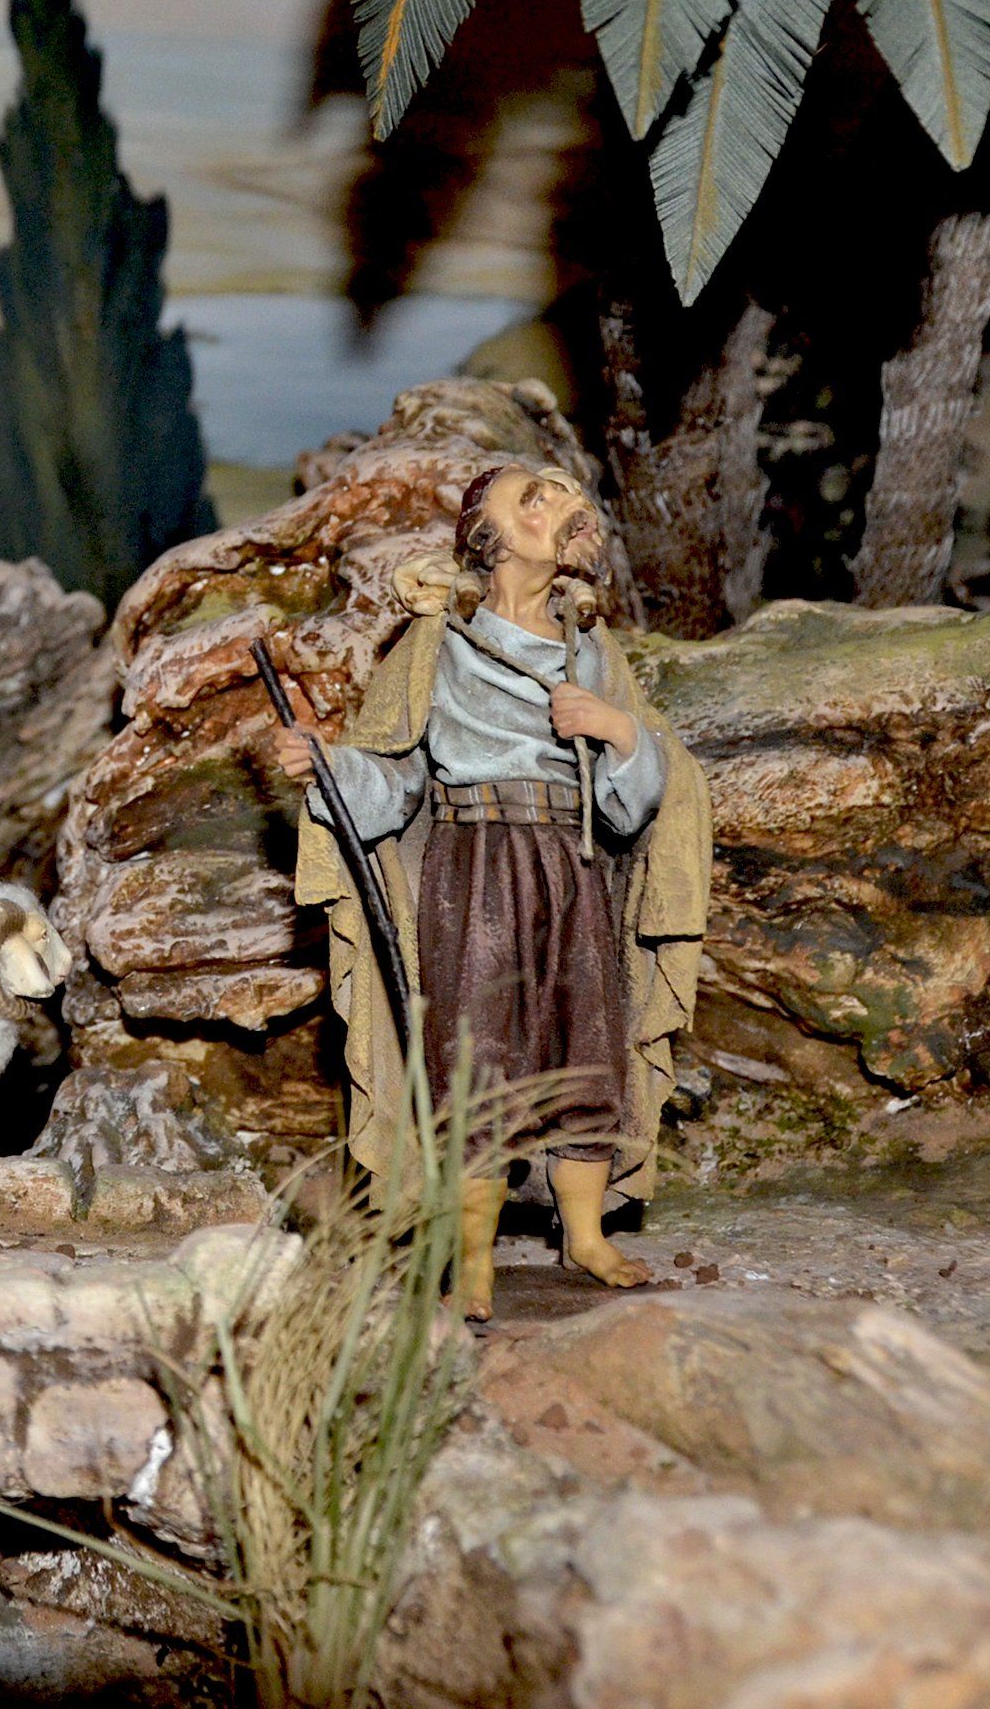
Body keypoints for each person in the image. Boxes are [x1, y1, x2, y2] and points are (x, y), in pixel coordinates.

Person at [268, 463, 711, 1320]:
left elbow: (635, 802)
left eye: (566, 495)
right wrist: (329, 767)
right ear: (488, 538)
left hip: (573, 864)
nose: (565, 507)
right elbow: (395, 779)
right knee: (473, 1056)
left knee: (586, 1041)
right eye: (533, 499)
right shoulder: (437, 649)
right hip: (472, 873)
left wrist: (618, 733)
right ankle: (471, 1258)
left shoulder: (593, 652)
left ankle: (585, 1235)